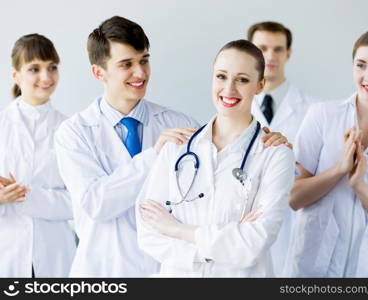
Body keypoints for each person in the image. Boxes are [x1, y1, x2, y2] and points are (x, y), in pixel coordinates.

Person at [54, 16, 287, 277]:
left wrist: (264, 138)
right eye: (126, 64)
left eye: (144, 60)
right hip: (106, 271)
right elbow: (95, 204)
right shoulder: (74, 132)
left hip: (173, 270)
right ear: (99, 72)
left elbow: (223, 165)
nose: (140, 73)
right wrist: (154, 156)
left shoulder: (181, 125)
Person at [136, 39, 295, 277]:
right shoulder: (177, 148)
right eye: (221, 76)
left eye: (242, 79)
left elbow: (254, 243)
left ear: (260, 85)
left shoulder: (275, 154)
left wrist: (177, 229)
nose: (229, 89)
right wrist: (216, 248)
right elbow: (149, 233)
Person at [285, 29, 368, 277]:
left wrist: (360, 186)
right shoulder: (322, 116)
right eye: (361, 65)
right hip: (313, 268)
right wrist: (340, 170)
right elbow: (293, 197)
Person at [0, 34, 76, 277]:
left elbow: (80, 202)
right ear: (16, 75)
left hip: (55, 253)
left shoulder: (71, 130)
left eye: (52, 67)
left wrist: (27, 197)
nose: (46, 77)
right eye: (34, 68)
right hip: (7, 251)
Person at [247, 21, 316, 276]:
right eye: (262, 48)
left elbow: (314, 175)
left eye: (278, 49)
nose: (270, 56)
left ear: (288, 53)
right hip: (246, 227)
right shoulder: (233, 108)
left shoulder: (313, 110)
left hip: (294, 225)